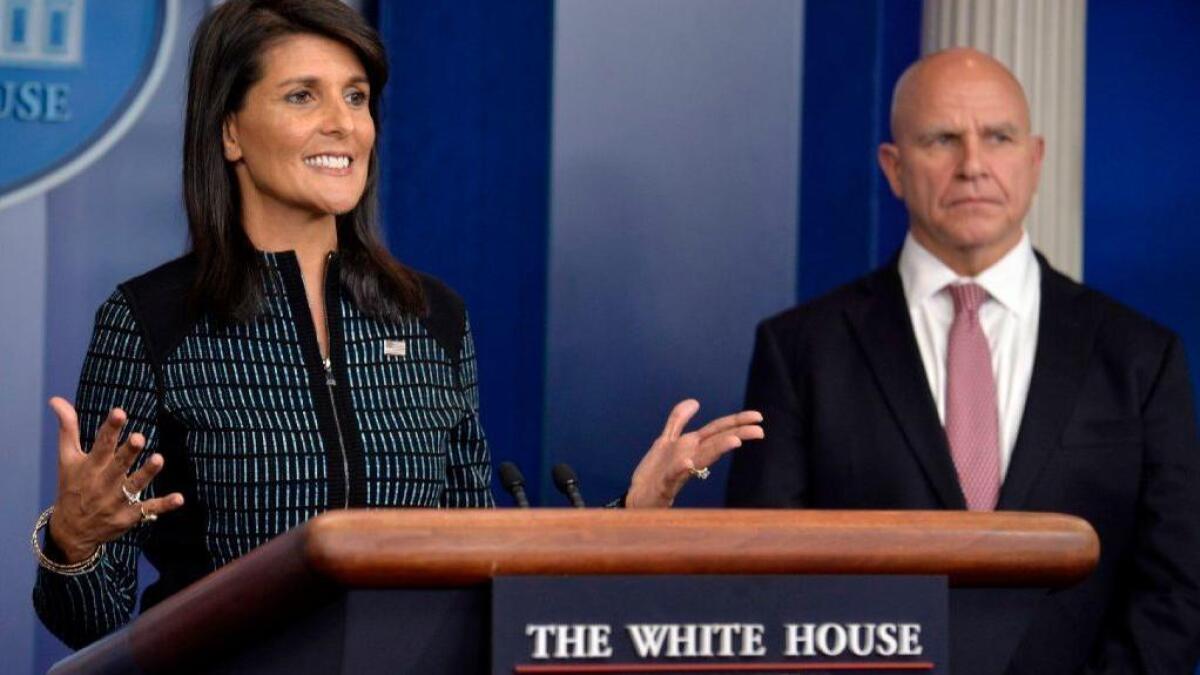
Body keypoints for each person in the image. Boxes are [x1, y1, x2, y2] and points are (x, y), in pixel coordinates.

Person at [31, 0, 763, 649]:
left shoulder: (430, 315)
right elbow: (88, 624)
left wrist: (628, 517)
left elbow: (481, 556)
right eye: (301, 96)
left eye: (356, 96)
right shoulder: (152, 319)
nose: (343, 123)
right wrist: (75, 538)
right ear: (230, 131)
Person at [726, 48, 1200, 674]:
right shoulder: (800, 351)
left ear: (1034, 161)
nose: (973, 165)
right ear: (894, 169)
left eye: (998, 137)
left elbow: (1176, 588)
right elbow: (763, 581)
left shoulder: (1139, 355)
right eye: (942, 139)